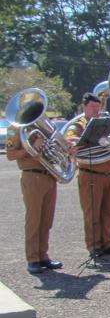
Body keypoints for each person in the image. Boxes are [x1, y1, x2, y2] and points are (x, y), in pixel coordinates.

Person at [65, 92, 110, 257]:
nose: (97, 111)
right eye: (93, 107)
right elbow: (72, 140)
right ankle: (94, 245)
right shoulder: (78, 124)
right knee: (93, 212)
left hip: (109, 173)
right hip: (91, 173)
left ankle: (107, 242)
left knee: (108, 211)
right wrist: (79, 142)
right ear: (84, 107)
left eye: (98, 107)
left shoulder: (105, 123)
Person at [6, 97, 66, 274]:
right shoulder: (15, 129)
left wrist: (66, 148)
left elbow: (56, 146)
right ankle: (32, 258)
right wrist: (32, 148)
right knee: (34, 220)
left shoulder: (45, 129)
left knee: (47, 219)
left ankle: (43, 255)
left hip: (49, 176)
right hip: (32, 177)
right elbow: (10, 155)